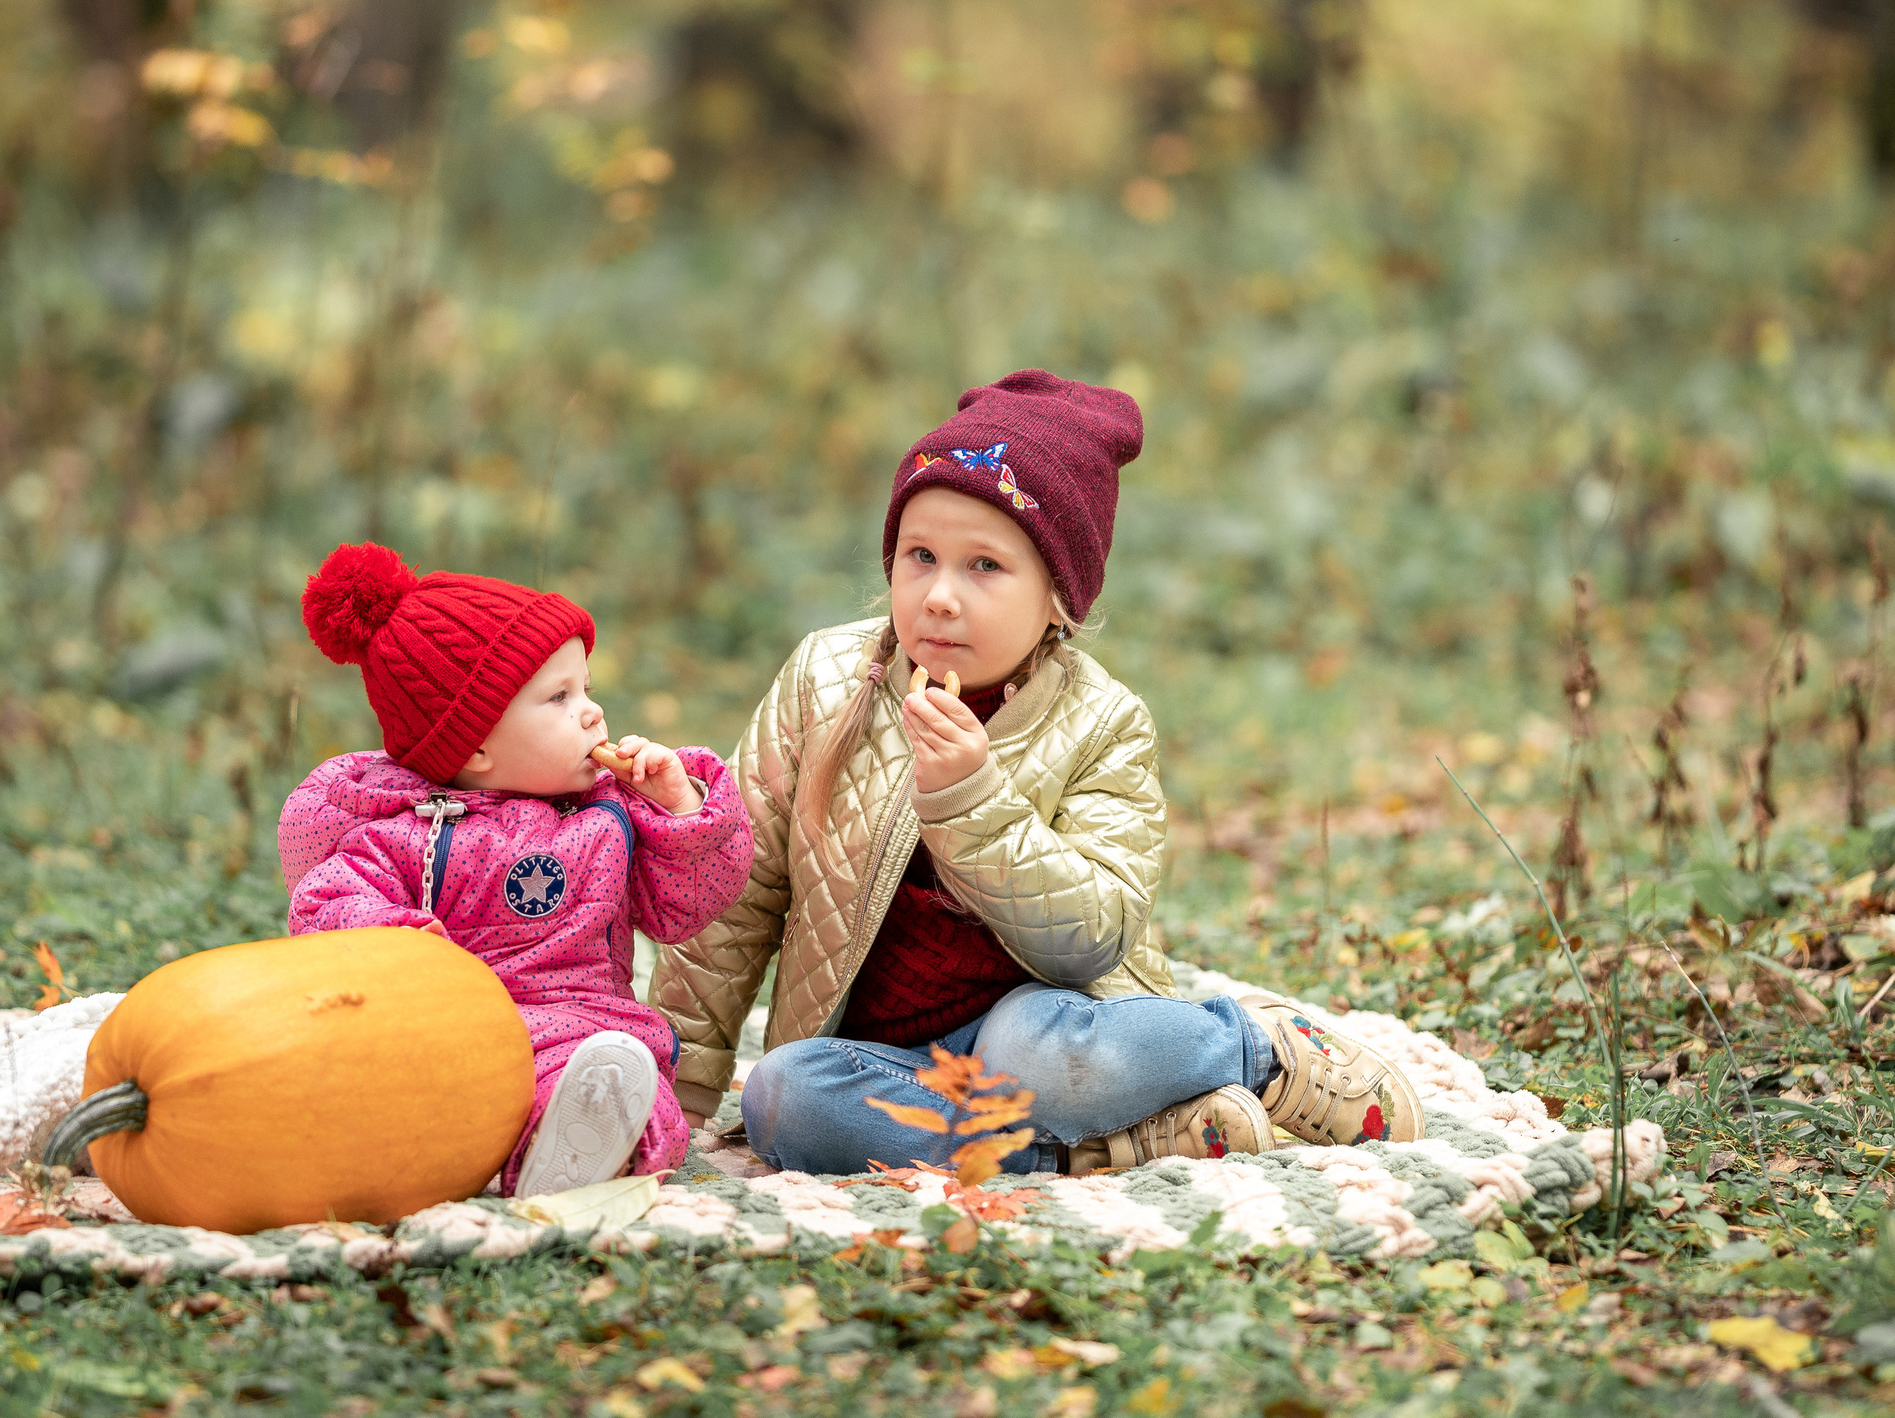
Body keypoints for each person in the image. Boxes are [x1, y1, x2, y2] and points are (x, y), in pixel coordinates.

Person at [652, 370, 1425, 1176]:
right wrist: (684, 1078)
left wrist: (970, 797)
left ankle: (1255, 1048)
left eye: (984, 566)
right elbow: (734, 889)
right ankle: (1096, 1144)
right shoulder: (824, 680)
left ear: (1059, 596)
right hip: (876, 1054)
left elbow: (1094, 933)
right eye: (921, 556)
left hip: (1043, 1023)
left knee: (1035, 1055)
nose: (941, 596)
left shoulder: (1103, 722)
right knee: (784, 1100)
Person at [280, 542, 754, 1196]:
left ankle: (576, 1141)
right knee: (392, 1083)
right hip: (454, 1031)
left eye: (587, 688)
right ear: (473, 744)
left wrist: (681, 809)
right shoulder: (409, 828)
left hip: (582, 1030)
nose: (591, 711)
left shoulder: (611, 815)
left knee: (633, 1092)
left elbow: (687, 906)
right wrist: (397, 941)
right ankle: (474, 1140)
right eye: (558, 697)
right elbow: (326, 902)